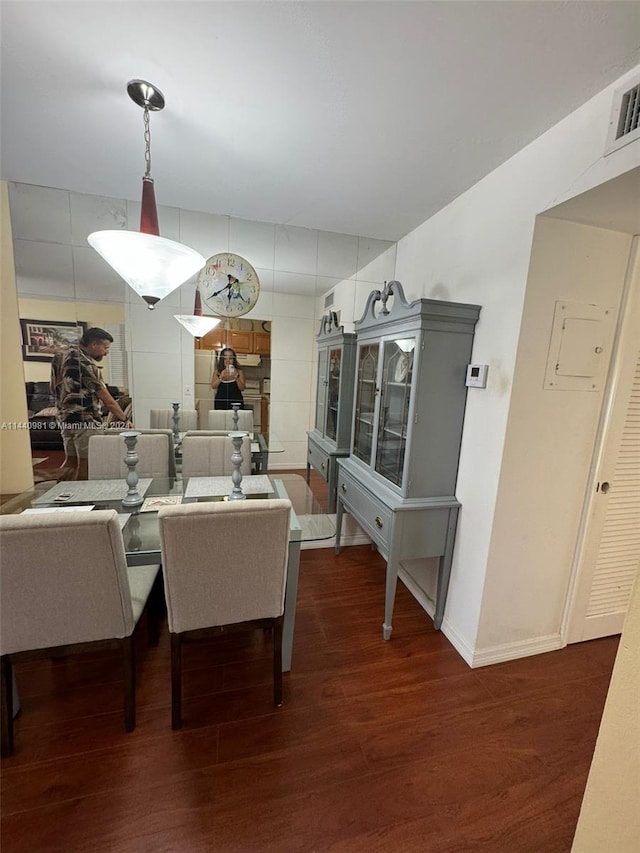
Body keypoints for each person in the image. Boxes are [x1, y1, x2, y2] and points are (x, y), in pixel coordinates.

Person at [56, 327, 133, 480]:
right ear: (93, 345)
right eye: (105, 348)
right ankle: (82, 499)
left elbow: (54, 385)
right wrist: (125, 420)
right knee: (87, 463)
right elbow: (107, 399)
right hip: (86, 421)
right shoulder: (86, 365)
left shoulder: (61, 356)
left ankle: (60, 496)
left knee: (70, 461)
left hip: (65, 418)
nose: (106, 352)